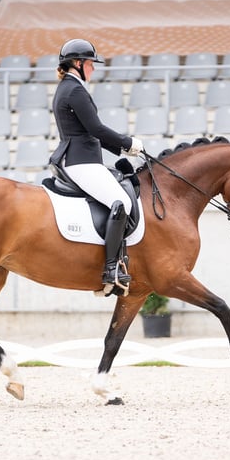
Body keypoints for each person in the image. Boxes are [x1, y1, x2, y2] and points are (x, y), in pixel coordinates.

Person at [49, 38, 145, 296]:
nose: (93, 68)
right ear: (78, 63)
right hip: (81, 161)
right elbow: (96, 130)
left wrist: (124, 150)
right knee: (121, 202)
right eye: (91, 63)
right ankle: (111, 268)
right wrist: (129, 143)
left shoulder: (68, 87)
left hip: (81, 157)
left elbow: (91, 133)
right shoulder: (75, 90)